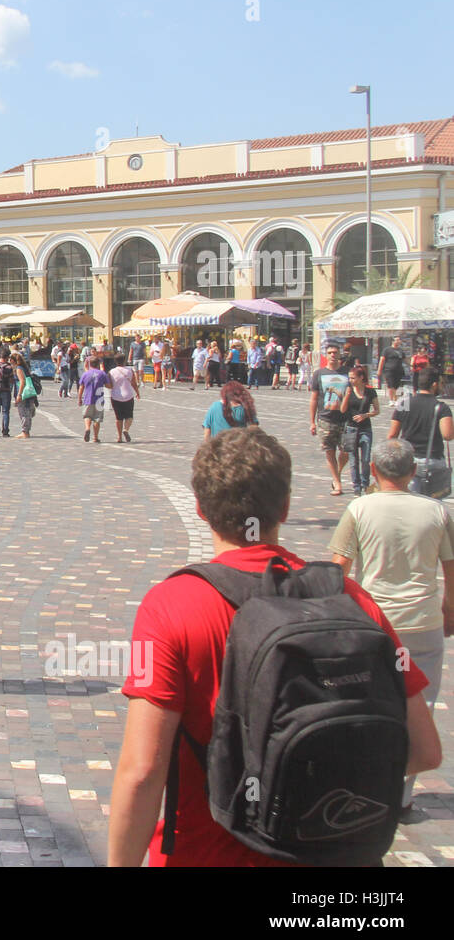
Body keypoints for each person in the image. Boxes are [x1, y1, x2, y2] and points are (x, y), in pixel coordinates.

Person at [107, 427, 441, 866]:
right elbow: (424, 752)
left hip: (206, 853)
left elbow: (143, 772)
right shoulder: (353, 600)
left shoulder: (173, 605)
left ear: (201, 510)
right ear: (284, 507)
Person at [328, 438, 454, 813]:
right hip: (422, 623)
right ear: (413, 472)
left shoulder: (359, 508)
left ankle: (364, 785)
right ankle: (400, 795)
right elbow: (450, 567)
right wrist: (449, 608)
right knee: (421, 706)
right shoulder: (437, 511)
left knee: (369, 700)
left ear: (373, 471)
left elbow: (339, 566)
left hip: (376, 624)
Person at [389, 365, 454, 489]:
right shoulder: (441, 407)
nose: (442, 386)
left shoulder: (405, 403)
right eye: (441, 383)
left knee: (411, 501)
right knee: (433, 502)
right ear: (434, 385)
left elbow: (392, 435)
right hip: (433, 460)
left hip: (408, 459)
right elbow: (448, 435)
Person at [309, 344, 352, 496]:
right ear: (326, 355)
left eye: (335, 352)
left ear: (340, 354)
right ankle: (337, 482)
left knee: (346, 452)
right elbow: (314, 398)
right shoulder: (319, 374)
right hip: (325, 419)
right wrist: (312, 422)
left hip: (345, 419)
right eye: (330, 353)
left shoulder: (347, 373)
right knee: (329, 451)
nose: (333, 355)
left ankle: (337, 473)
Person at [337, 365, 380, 496]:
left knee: (366, 459)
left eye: (353, 378)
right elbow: (342, 410)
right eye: (349, 378)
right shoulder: (348, 390)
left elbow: (377, 411)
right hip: (351, 428)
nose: (350, 380)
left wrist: (365, 415)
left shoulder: (370, 392)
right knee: (353, 459)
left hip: (365, 428)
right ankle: (356, 486)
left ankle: (365, 484)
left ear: (361, 378)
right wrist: (346, 396)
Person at [108, 353, 140, 443]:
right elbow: (134, 383)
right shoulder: (130, 370)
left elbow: (110, 385)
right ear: (124, 360)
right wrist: (137, 393)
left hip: (115, 396)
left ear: (115, 361)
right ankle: (125, 429)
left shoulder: (111, 372)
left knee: (118, 418)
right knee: (129, 416)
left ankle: (119, 437)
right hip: (128, 396)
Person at [78, 355, 110, 444]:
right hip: (99, 400)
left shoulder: (85, 374)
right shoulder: (102, 374)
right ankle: (96, 437)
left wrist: (79, 398)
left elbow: (81, 387)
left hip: (88, 398)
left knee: (87, 415)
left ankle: (87, 428)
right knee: (97, 419)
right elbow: (108, 386)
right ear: (98, 364)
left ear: (89, 364)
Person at [377, 336, 406, 405]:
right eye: (397, 340)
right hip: (389, 370)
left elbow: (405, 359)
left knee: (396, 385)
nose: (399, 341)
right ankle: (391, 400)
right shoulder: (387, 350)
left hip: (398, 370)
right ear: (393, 341)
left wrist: (411, 364)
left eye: (399, 340)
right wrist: (379, 370)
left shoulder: (400, 350)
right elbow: (382, 360)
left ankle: (395, 398)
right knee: (390, 385)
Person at [15, 356, 39, 439]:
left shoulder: (18, 368)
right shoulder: (24, 367)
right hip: (29, 393)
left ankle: (25, 432)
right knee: (27, 411)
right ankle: (26, 431)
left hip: (24, 393)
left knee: (24, 412)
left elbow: (22, 382)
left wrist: (19, 394)